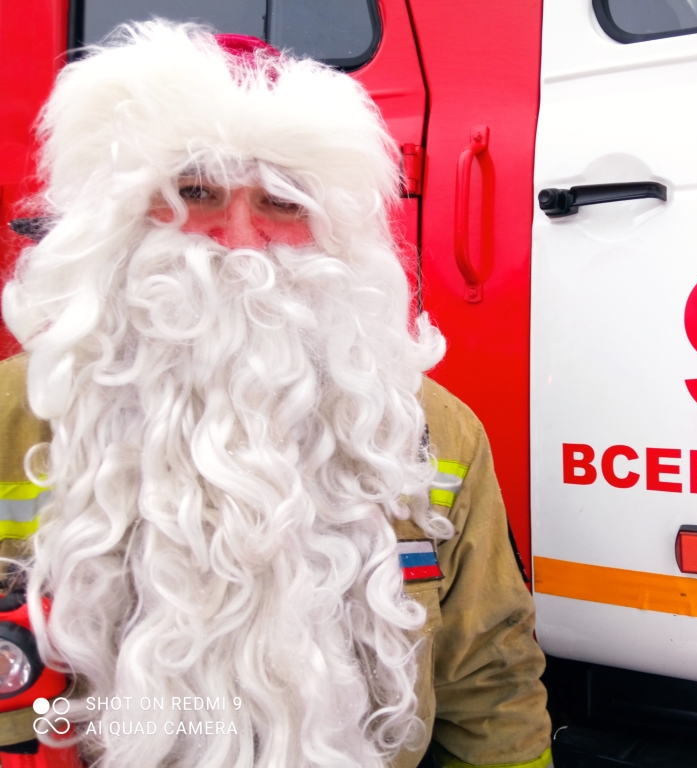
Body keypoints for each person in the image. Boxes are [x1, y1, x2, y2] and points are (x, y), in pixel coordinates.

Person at [0, 21, 552, 768]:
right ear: (117, 217)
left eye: (283, 204)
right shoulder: (15, 412)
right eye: (195, 192)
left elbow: (489, 675)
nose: (239, 239)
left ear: (334, 234)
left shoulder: (431, 431)